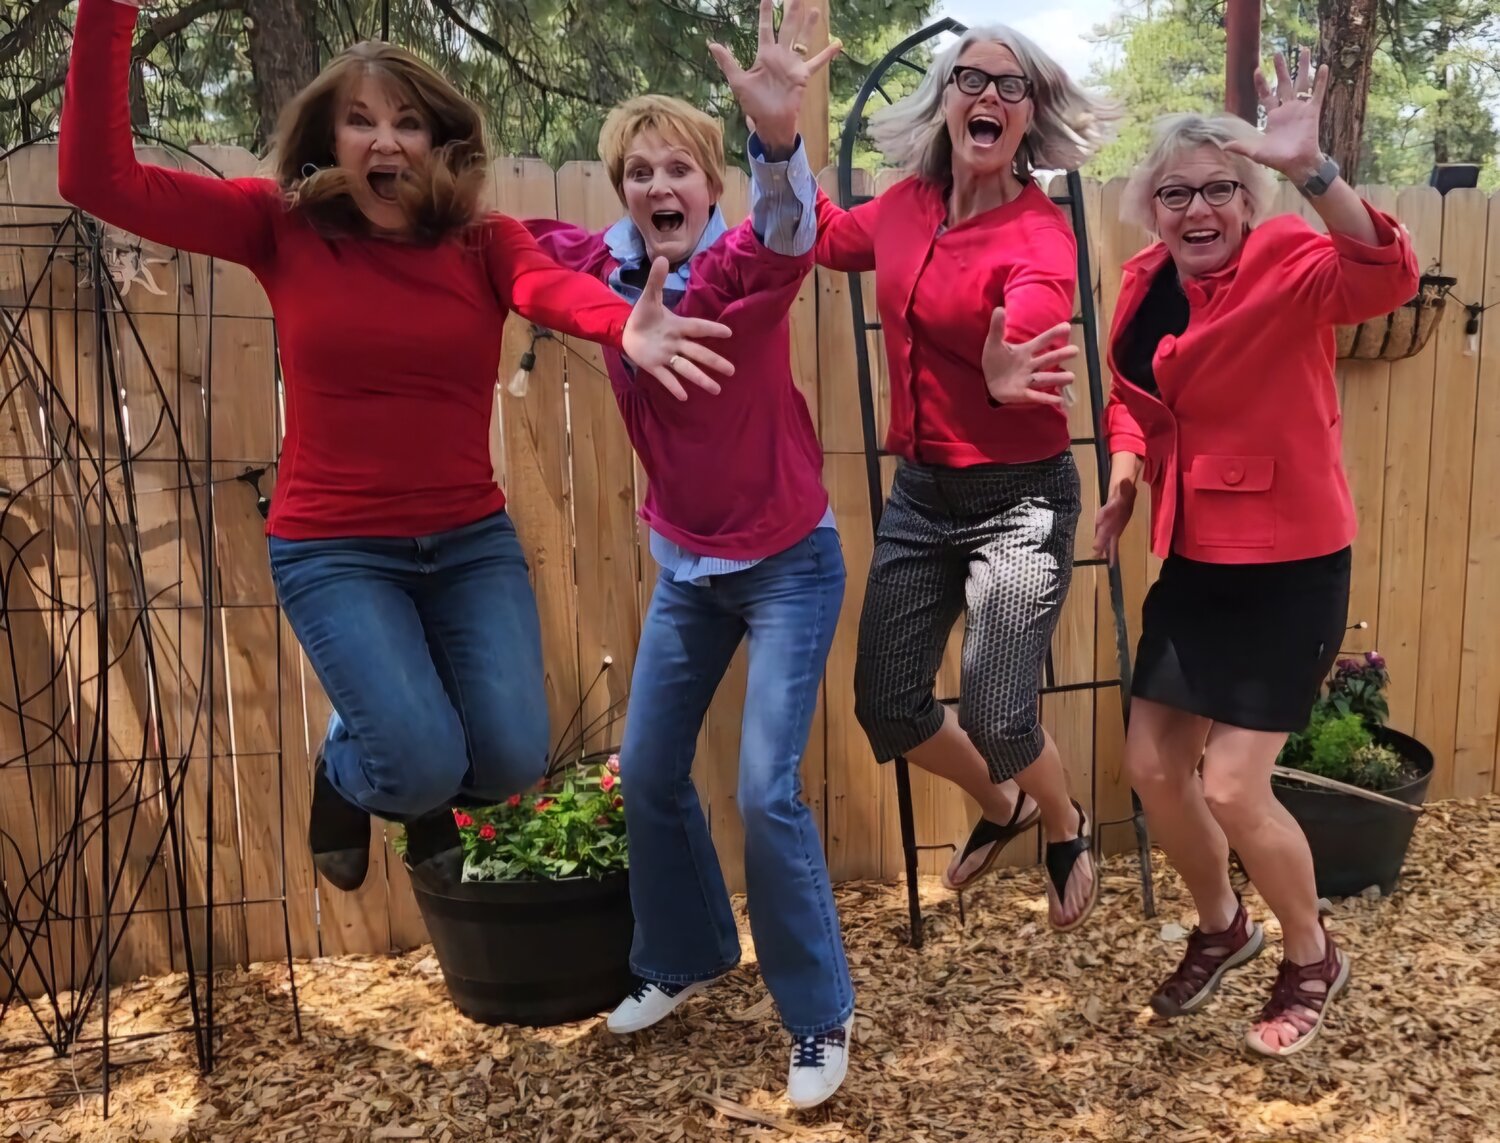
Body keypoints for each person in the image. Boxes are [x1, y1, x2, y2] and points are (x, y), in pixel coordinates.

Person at [59, 0, 735, 892]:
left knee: (507, 764)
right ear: (328, 140)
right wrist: (107, 13)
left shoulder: (482, 240)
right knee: (417, 766)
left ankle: (380, 761)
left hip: (466, 542)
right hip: (334, 549)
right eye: (362, 121)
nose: (388, 142)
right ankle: (355, 777)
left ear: (440, 141)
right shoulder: (279, 225)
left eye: (409, 123)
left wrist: (622, 327)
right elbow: (97, 179)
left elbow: (540, 288)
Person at [522, 0, 851, 1109]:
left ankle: (817, 1017)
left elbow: (792, 229)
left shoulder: (742, 270)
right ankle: (687, 953)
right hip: (690, 568)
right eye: (640, 173)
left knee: (765, 793)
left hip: (790, 561)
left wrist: (775, 142)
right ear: (622, 192)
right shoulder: (601, 275)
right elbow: (486, 245)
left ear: (710, 187)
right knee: (651, 772)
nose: (661, 188)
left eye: (681, 171)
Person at [1093, 53, 1418, 1058]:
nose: (1200, 207)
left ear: (1252, 198)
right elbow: (1132, 400)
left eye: (1222, 188)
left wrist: (1319, 173)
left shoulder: (1287, 261)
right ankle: (1222, 926)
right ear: (1151, 206)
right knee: (1152, 766)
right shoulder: (1145, 282)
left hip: (1287, 563)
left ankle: (1311, 954)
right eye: (1178, 191)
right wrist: (1124, 472)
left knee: (1233, 784)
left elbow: (1386, 274)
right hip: (1195, 557)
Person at [803, 25, 1117, 928]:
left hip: (1018, 501)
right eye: (970, 78)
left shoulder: (1039, 235)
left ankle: (1062, 820)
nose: (988, 95)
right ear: (946, 100)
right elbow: (826, 240)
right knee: (888, 705)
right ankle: (1002, 803)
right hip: (921, 497)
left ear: (1030, 116)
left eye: (1010, 86)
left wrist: (1011, 362)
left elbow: (1037, 302)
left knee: (997, 710)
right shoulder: (906, 205)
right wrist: (781, 142)